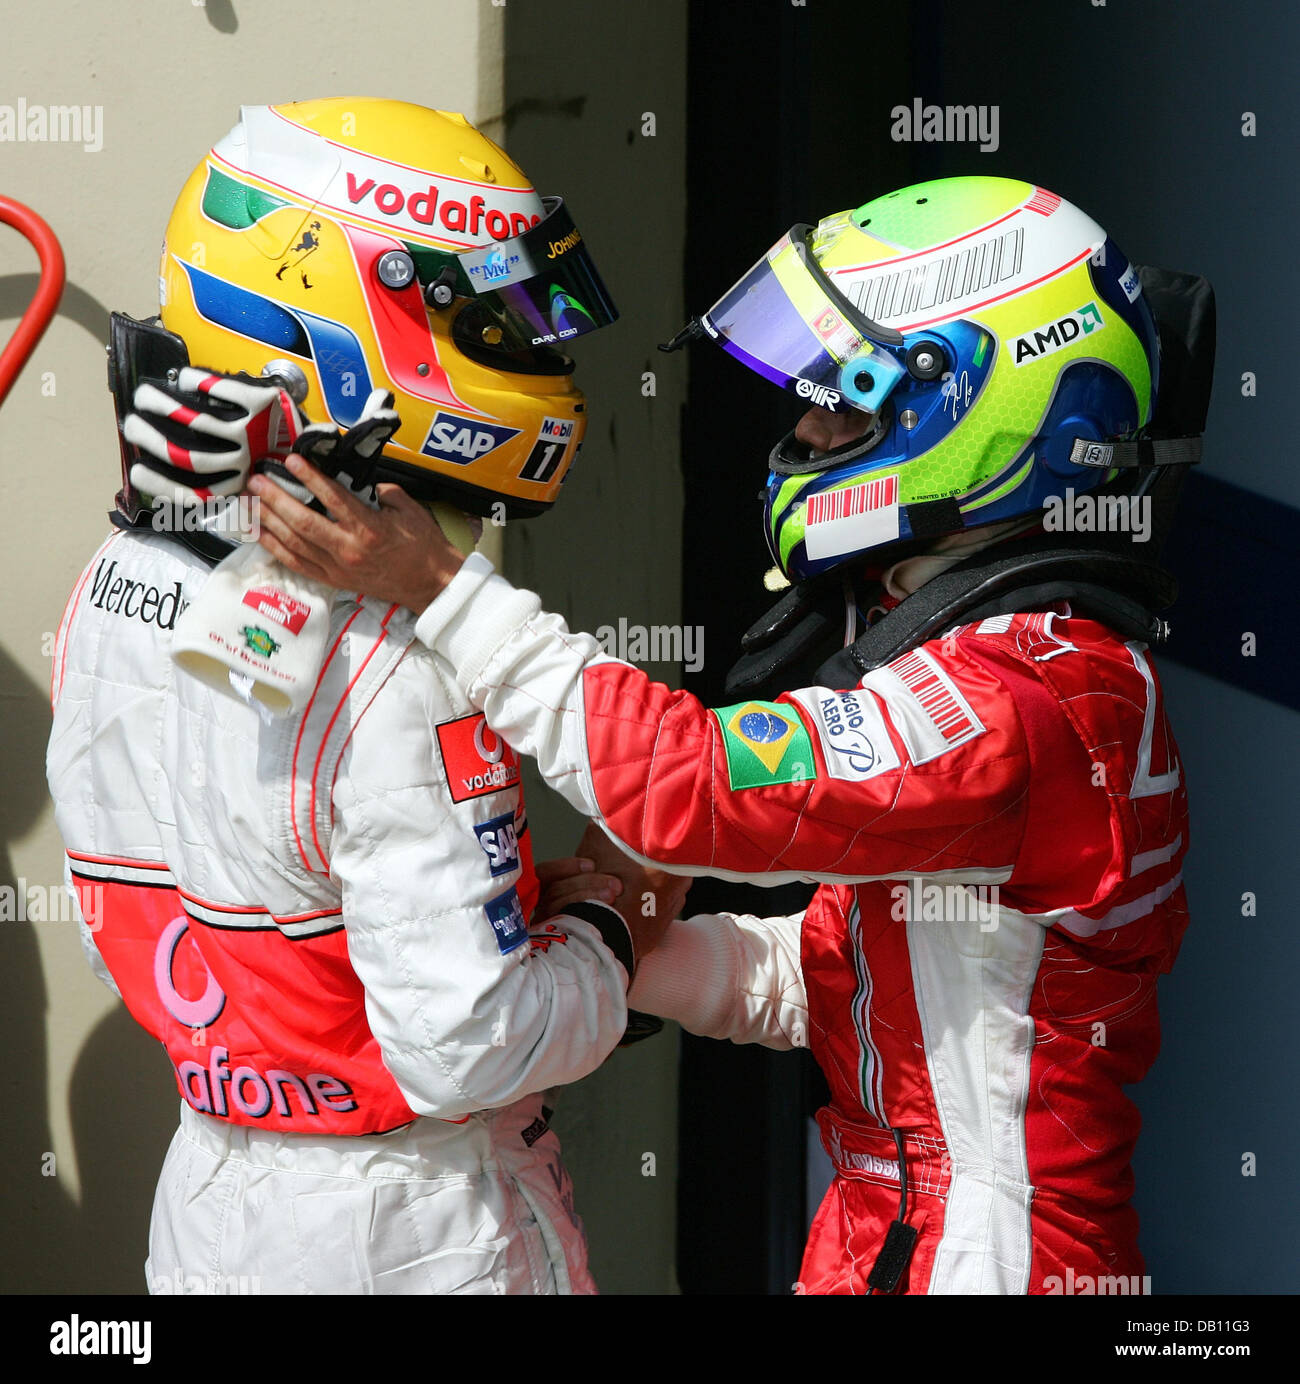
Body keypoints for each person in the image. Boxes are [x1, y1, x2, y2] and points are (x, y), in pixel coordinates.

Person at [247, 176, 1215, 1294]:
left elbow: (688, 788)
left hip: (989, 1258)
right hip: (887, 1227)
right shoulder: (1006, 656)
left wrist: (439, 590)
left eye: (843, 406)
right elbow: (850, 984)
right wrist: (613, 949)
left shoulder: (1033, 696)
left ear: (987, 410)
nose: (802, 433)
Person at [45, 98, 679, 1296]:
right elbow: (465, 1045)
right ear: (334, 324)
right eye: (494, 319)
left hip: (210, 1198)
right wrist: (614, 924)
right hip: (413, 1226)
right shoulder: (402, 650)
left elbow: (136, 918)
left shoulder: (116, 573)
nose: (540, 352)